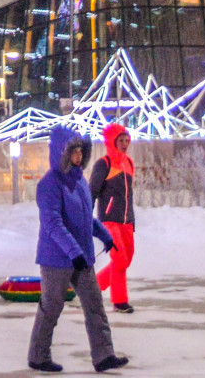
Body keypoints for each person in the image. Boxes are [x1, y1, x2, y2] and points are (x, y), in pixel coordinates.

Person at [29, 125, 127, 374]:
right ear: (62, 152)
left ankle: (104, 355)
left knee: (95, 304)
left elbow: (85, 218)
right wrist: (74, 252)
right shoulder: (49, 185)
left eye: (81, 151)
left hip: (81, 256)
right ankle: (38, 356)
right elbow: (53, 224)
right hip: (55, 258)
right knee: (52, 306)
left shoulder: (80, 181)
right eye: (73, 151)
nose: (79, 156)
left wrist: (104, 236)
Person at [88, 122, 136, 313]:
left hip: (127, 221)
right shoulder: (104, 163)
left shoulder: (128, 163)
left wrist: (132, 221)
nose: (124, 144)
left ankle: (92, 289)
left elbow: (128, 195)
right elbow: (92, 191)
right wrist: (85, 215)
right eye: (121, 140)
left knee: (126, 259)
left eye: (126, 140)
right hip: (109, 219)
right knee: (120, 260)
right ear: (112, 141)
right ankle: (119, 301)